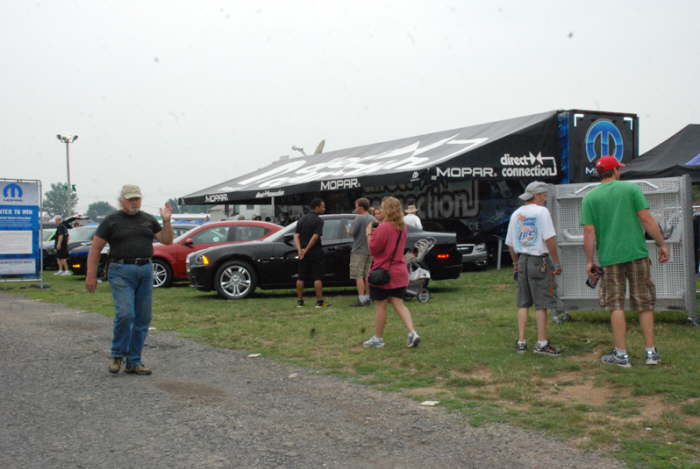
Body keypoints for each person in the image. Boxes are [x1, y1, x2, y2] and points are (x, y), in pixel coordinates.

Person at [581, 156, 669, 367]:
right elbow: (646, 219)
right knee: (644, 303)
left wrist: (589, 260)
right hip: (637, 253)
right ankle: (650, 353)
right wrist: (661, 244)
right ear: (615, 171)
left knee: (616, 304)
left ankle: (621, 355)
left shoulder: (589, 198)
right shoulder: (631, 190)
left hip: (610, 258)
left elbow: (589, 232)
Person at [85, 184, 173, 375]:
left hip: (145, 270)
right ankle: (117, 355)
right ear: (121, 200)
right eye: (130, 199)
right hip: (120, 270)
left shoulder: (148, 220)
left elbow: (167, 240)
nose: (134, 203)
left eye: (137, 199)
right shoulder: (111, 221)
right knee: (126, 314)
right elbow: (95, 248)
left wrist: (166, 221)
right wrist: (91, 275)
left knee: (143, 318)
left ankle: (134, 361)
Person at [505, 181, 563, 356]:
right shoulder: (542, 212)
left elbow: (510, 244)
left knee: (523, 302)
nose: (545, 199)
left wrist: (516, 263)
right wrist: (556, 262)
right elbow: (549, 239)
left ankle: (521, 341)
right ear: (537, 196)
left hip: (522, 260)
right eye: (543, 195)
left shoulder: (516, 214)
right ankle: (542, 343)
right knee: (541, 304)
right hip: (539, 261)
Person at [363, 197, 420, 348]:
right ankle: (412, 333)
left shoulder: (384, 227)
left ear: (387, 210)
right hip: (399, 271)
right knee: (398, 303)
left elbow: (373, 249)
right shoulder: (403, 227)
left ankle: (378, 338)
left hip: (384, 272)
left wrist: (369, 234)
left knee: (381, 305)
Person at [294, 198, 330, 308]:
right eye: (323, 206)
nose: (324, 208)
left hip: (302, 252)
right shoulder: (319, 221)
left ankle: (300, 301)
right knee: (317, 277)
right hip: (314, 251)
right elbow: (315, 237)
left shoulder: (302, 219)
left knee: (301, 277)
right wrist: (307, 249)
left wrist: (300, 250)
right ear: (317, 207)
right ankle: (319, 302)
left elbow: (296, 236)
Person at [348, 197, 374, 307]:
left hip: (358, 250)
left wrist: (348, 230)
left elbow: (352, 233)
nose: (355, 208)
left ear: (361, 207)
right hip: (370, 250)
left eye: (356, 206)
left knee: (358, 276)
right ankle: (368, 297)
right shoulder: (372, 218)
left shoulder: (359, 218)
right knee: (367, 275)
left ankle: (361, 299)